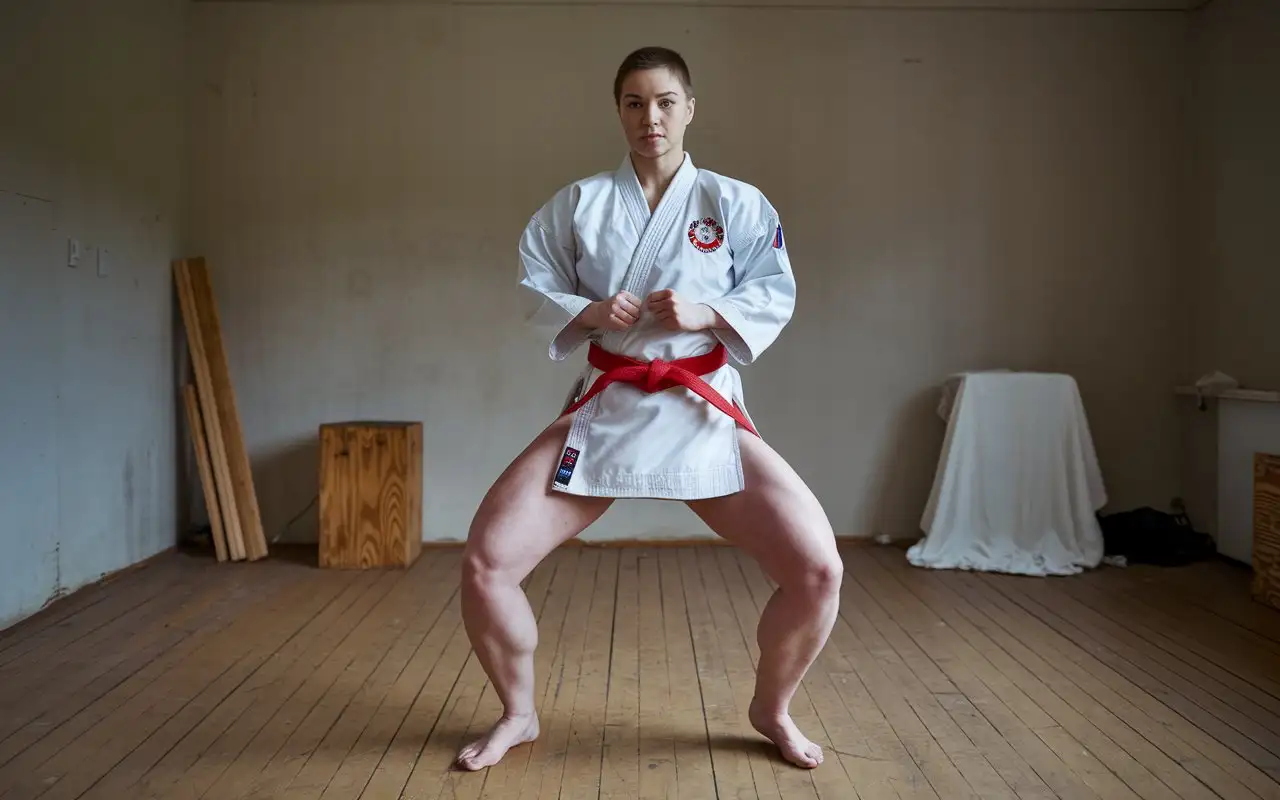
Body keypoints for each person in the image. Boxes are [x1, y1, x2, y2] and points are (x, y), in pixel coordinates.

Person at [456, 46, 843, 772]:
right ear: (619, 112)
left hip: (701, 411)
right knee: (485, 561)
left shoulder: (736, 204)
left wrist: (707, 313)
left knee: (819, 570)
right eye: (635, 103)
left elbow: (772, 290)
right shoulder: (578, 204)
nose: (651, 117)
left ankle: (773, 708)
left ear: (690, 108)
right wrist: (590, 308)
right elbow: (535, 284)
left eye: (665, 101)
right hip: (609, 406)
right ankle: (518, 711)